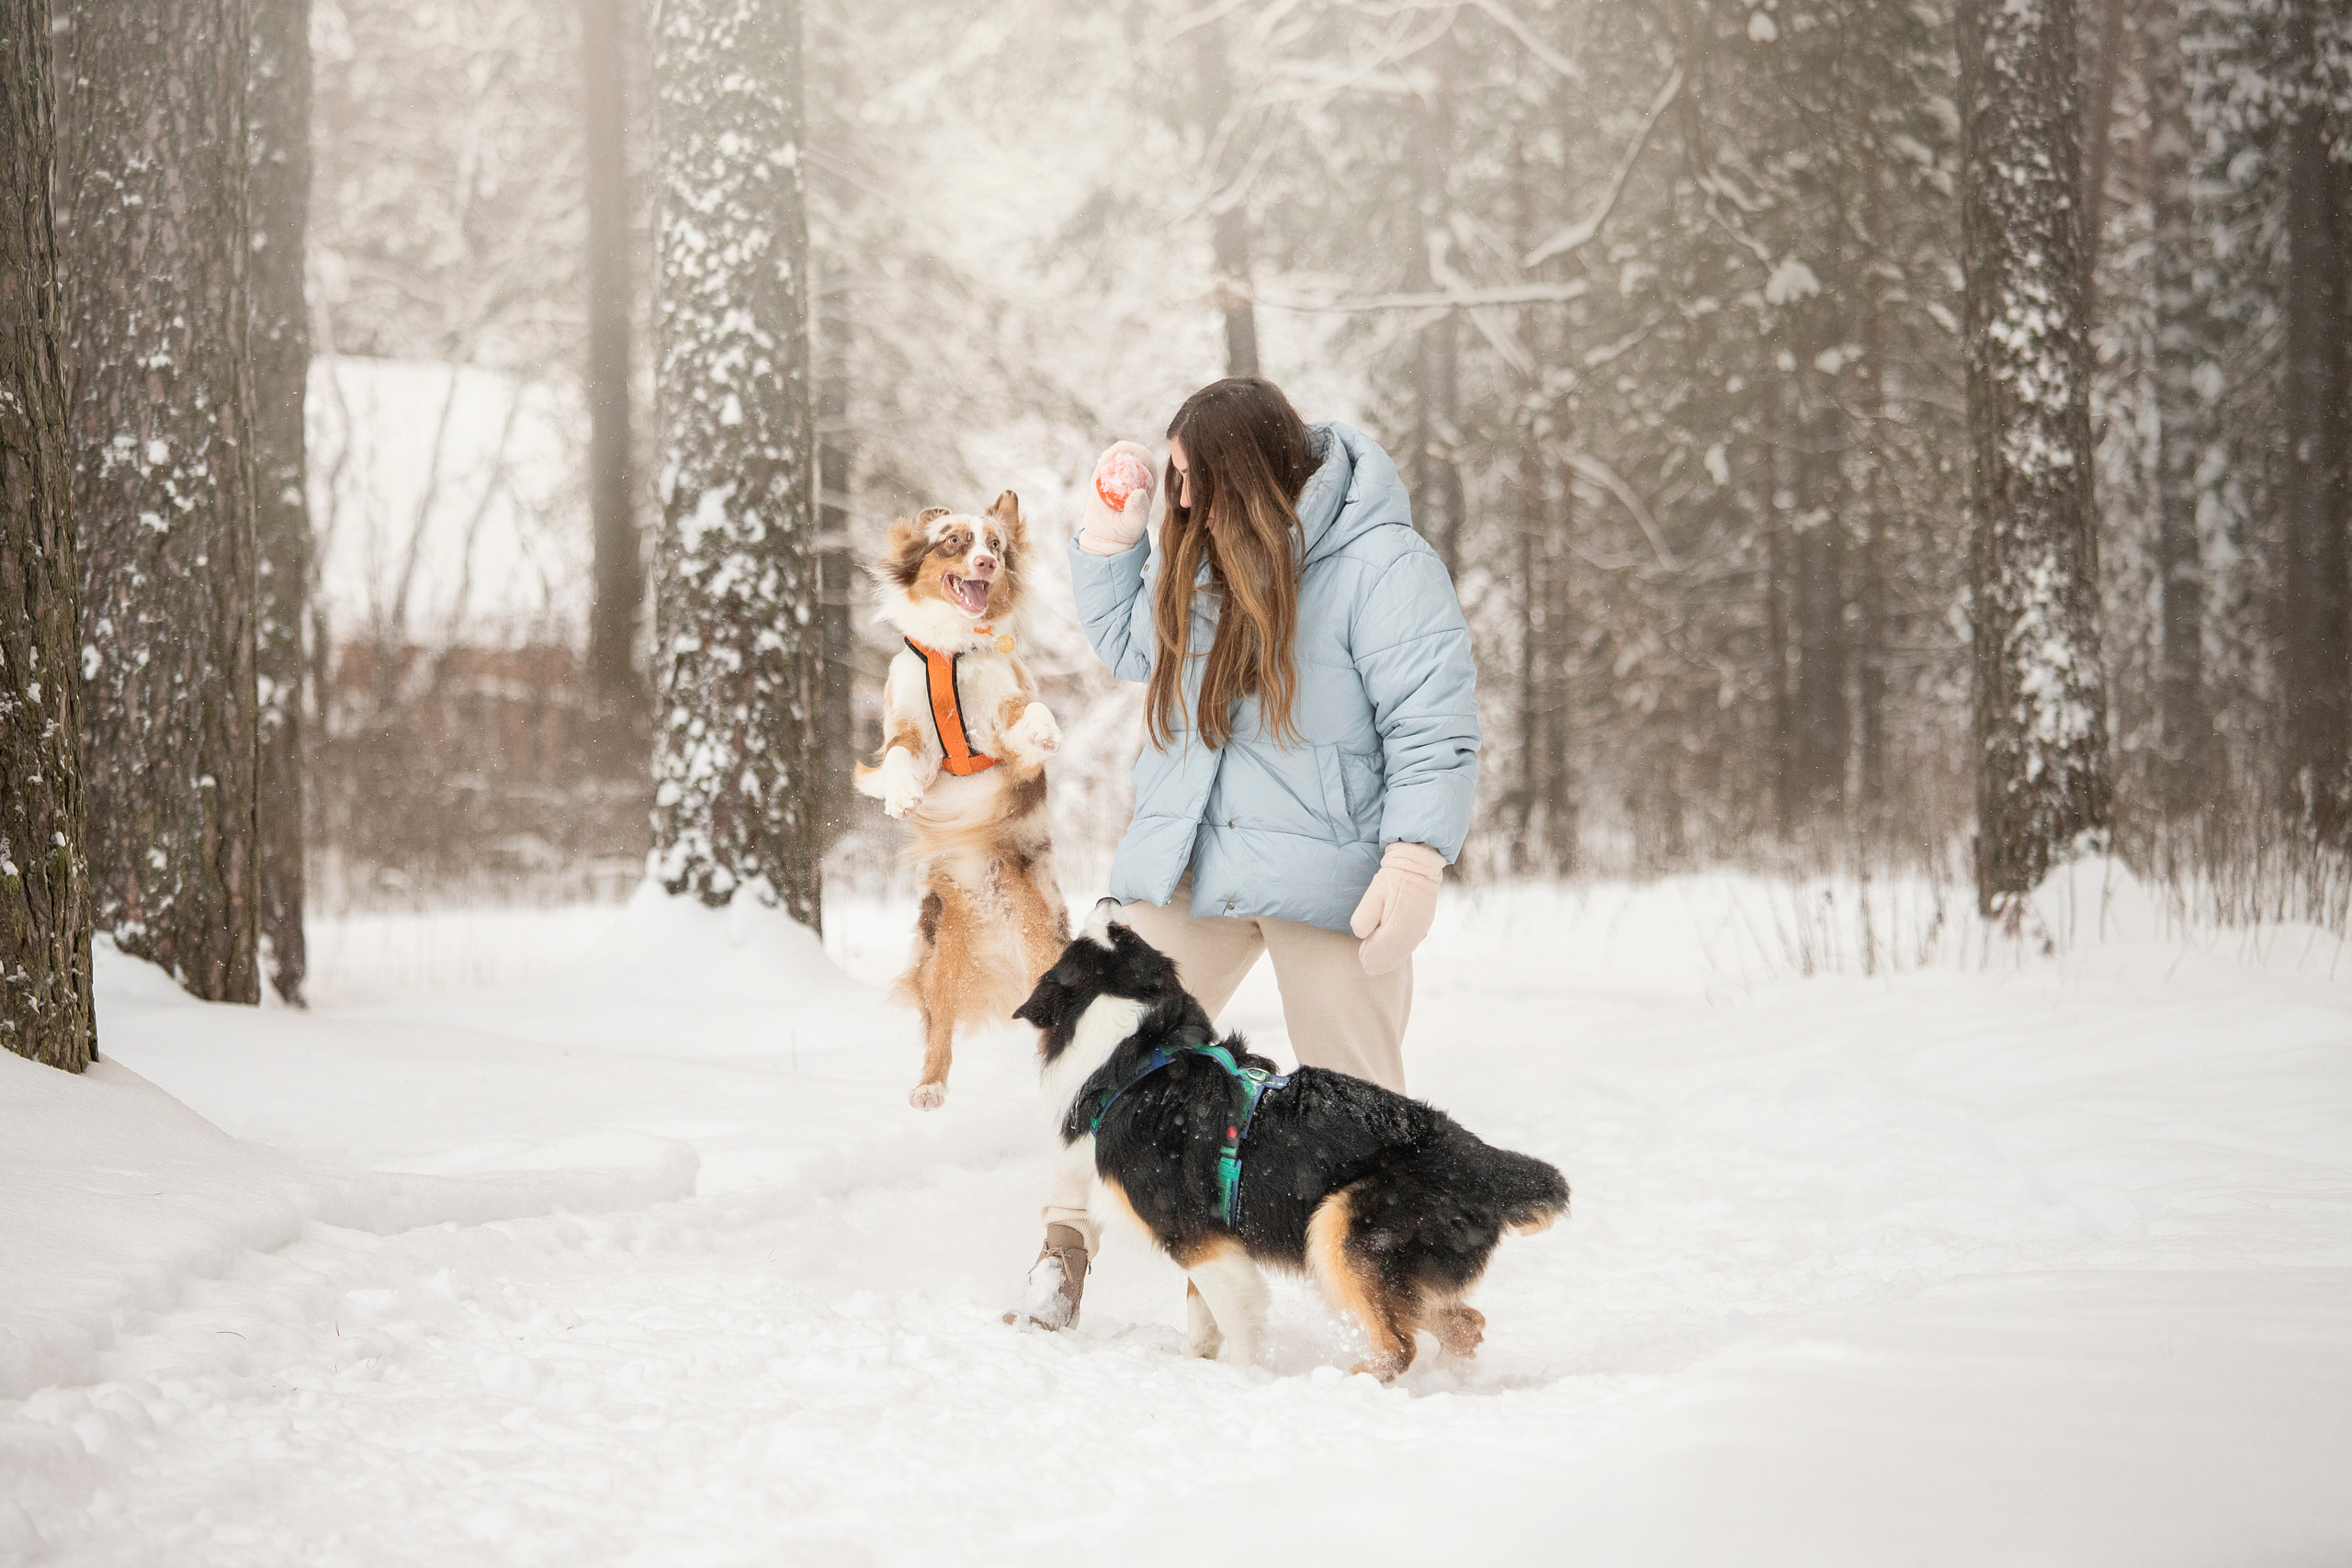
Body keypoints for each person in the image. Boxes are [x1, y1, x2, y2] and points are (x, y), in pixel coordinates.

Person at [1010, 376, 1480, 1329]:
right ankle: (1062, 1252)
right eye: (1171, 481)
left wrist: (1415, 856)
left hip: (1331, 878)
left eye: (1192, 480)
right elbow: (1133, 647)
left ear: (1254, 471)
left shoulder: (1382, 565)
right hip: (1191, 863)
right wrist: (1113, 538)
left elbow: (1433, 724)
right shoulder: (1202, 551)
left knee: (1361, 1109)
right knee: (1098, 1041)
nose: (1180, 501)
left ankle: (1411, 1304)